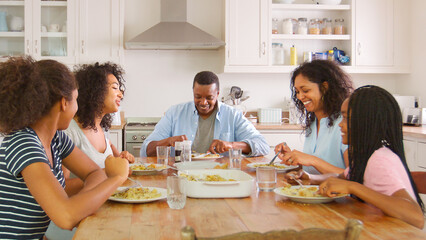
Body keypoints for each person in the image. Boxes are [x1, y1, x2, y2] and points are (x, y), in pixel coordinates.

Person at [0, 57, 129, 239]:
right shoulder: (23, 143)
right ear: (64, 102)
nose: (77, 107)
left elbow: (94, 173)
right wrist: (117, 178)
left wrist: (81, 205)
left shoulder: (56, 138)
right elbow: (66, 217)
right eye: (76, 99)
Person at [289, 86, 424, 229]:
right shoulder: (367, 155)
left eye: (346, 118)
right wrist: (311, 178)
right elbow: (344, 177)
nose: (340, 124)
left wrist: (354, 187)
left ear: (368, 122)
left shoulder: (379, 160)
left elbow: (416, 217)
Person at [45, 62, 135, 240]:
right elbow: (61, 189)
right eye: (115, 87)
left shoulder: (100, 128)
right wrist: (109, 175)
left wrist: (121, 160)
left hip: (95, 210)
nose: (121, 93)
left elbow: (108, 164)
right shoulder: (68, 132)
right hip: (74, 226)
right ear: (96, 91)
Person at [141, 71, 269, 157]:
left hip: (221, 177)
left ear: (218, 94)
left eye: (209, 97)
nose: (203, 102)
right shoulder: (174, 113)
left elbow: (263, 146)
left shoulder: (233, 115)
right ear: (193, 92)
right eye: (198, 96)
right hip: (181, 174)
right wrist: (169, 141)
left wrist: (231, 145)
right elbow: (146, 150)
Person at [275, 60, 353, 174]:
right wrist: (293, 158)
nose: (300, 96)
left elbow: (353, 177)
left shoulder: (344, 124)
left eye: (305, 90)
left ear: (324, 87)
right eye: (297, 92)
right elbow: (312, 170)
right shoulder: (313, 122)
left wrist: (312, 160)